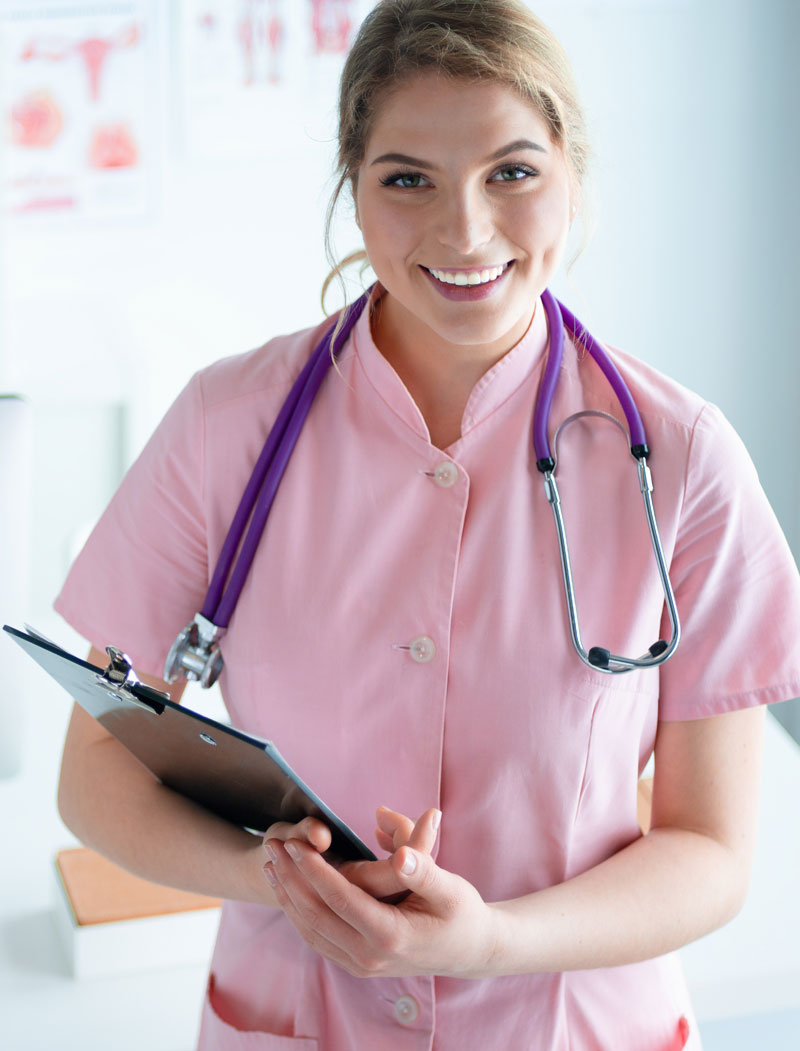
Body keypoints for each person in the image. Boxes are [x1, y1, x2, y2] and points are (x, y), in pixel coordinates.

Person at [54, 1, 800, 1048]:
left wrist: (487, 939)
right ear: (351, 193)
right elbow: (98, 772)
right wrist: (279, 882)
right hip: (292, 1014)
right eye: (406, 178)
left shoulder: (680, 461)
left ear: (571, 176)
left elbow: (711, 851)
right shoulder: (226, 425)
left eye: (512, 171)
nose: (463, 230)